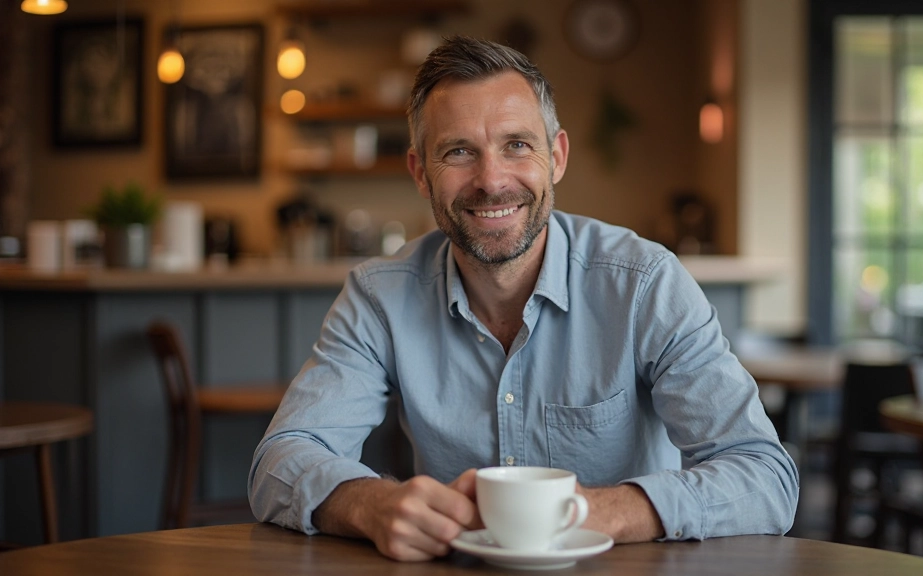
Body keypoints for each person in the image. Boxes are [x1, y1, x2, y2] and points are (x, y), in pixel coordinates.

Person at [248, 36, 799, 562]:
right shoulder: (378, 296)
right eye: (459, 151)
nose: (491, 180)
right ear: (420, 173)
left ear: (556, 157)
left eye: (516, 145)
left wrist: (603, 512)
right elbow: (280, 459)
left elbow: (763, 476)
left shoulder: (645, 283)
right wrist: (370, 504)